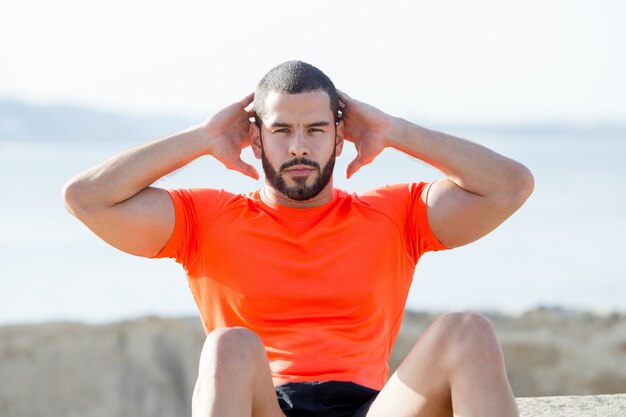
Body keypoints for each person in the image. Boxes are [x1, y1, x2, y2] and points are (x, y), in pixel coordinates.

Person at [63, 60, 534, 417]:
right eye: (282, 131)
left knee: (468, 332)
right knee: (229, 345)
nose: (300, 147)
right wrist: (203, 137)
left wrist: (395, 131)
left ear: (340, 136)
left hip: (374, 407)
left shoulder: (394, 213)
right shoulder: (206, 219)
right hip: (269, 405)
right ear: (255, 138)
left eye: (315, 129)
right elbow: (86, 198)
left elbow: (510, 185)